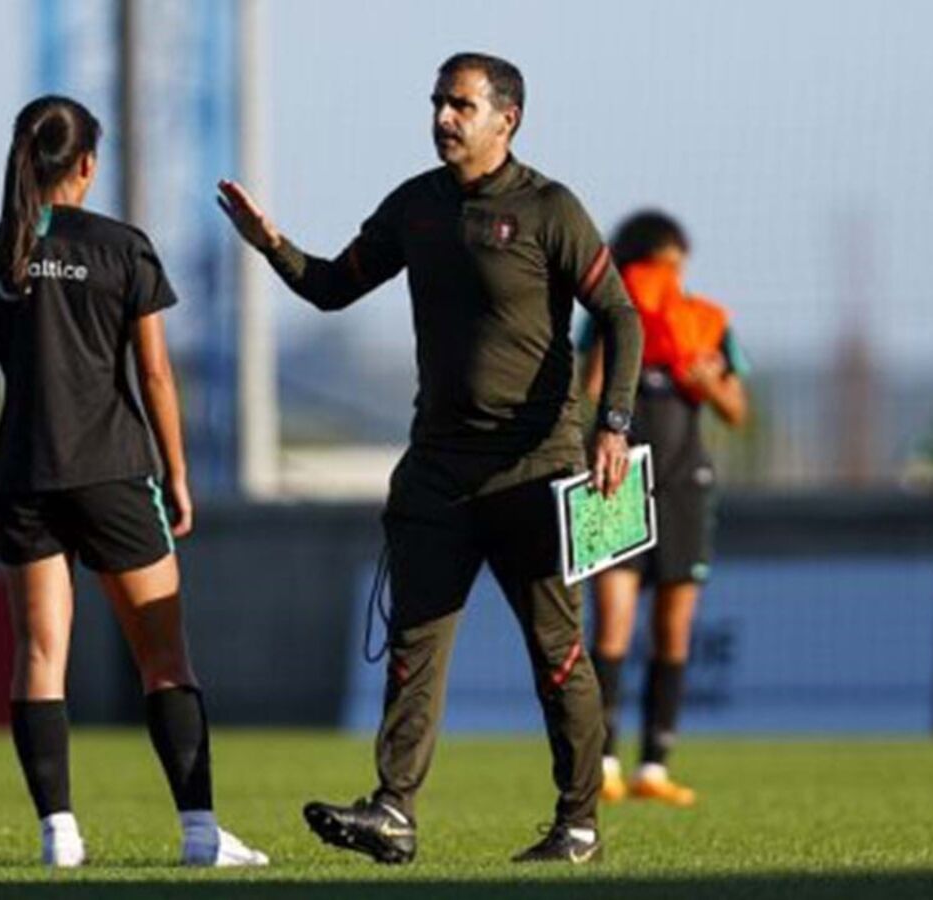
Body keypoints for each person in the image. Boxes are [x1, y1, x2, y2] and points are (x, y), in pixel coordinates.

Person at [219, 52, 642, 864]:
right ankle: (394, 809)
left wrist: (613, 424)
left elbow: (621, 317)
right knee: (413, 647)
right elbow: (333, 286)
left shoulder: (551, 209)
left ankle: (579, 821)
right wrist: (273, 244)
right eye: (438, 103)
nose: (443, 118)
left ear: (506, 119)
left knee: (558, 657)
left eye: (460, 106)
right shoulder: (417, 206)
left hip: (536, 473)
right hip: (438, 475)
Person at [0, 95, 267, 868]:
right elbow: (153, 372)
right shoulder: (123, 247)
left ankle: (59, 833)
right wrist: (179, 473)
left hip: (26, 477)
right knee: (165, 657)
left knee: (38, 655)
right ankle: (198, 833)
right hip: (118, 473)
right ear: (87, 164)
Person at [579, 211, 749, 808]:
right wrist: (615, 326)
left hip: (684, 483)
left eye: (676, 267)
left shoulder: (705, 323)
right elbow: (589, 390)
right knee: (613, 619)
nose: (668, 278)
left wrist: (708, 383)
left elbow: (736, 409)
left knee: (674, 627)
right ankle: (601, 759)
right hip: (616, 481)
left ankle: (654, 762)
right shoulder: (603, 318)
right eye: (658, 266)